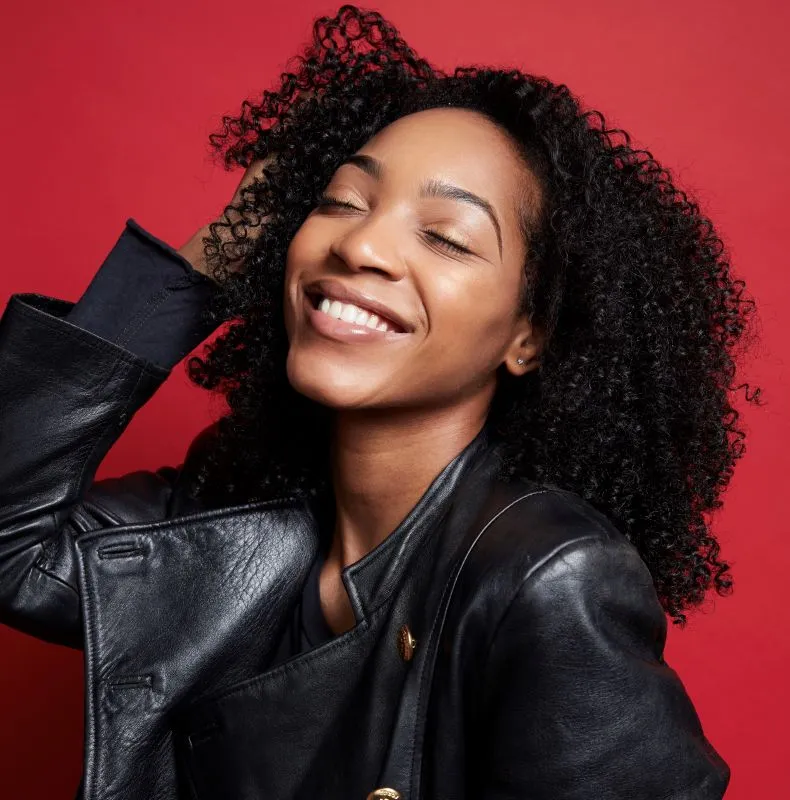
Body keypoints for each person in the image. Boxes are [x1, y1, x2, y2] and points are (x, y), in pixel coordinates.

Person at [0, 4, 760, 799]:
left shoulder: (547, 578)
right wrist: (209, 260)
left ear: (528, 337)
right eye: (340, 201)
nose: (359, 245)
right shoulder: (234, 503)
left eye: (446, 237)